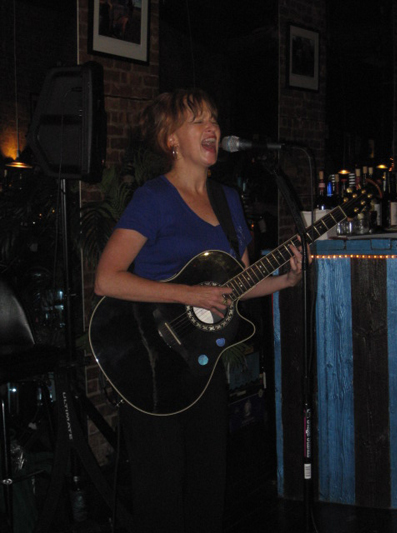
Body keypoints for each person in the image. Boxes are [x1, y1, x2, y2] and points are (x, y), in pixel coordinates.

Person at [94, 88, 306, 532]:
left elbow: (236, 287)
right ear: (172, 139)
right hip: (149, 360)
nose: (213, 128)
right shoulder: (153, 198)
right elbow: (107, 279)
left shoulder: (229, 200)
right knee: (161, 495)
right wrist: (187, 295)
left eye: (214, 119)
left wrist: (285, 279)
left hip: (202, 365)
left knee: (209, 487)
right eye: (198, 121)